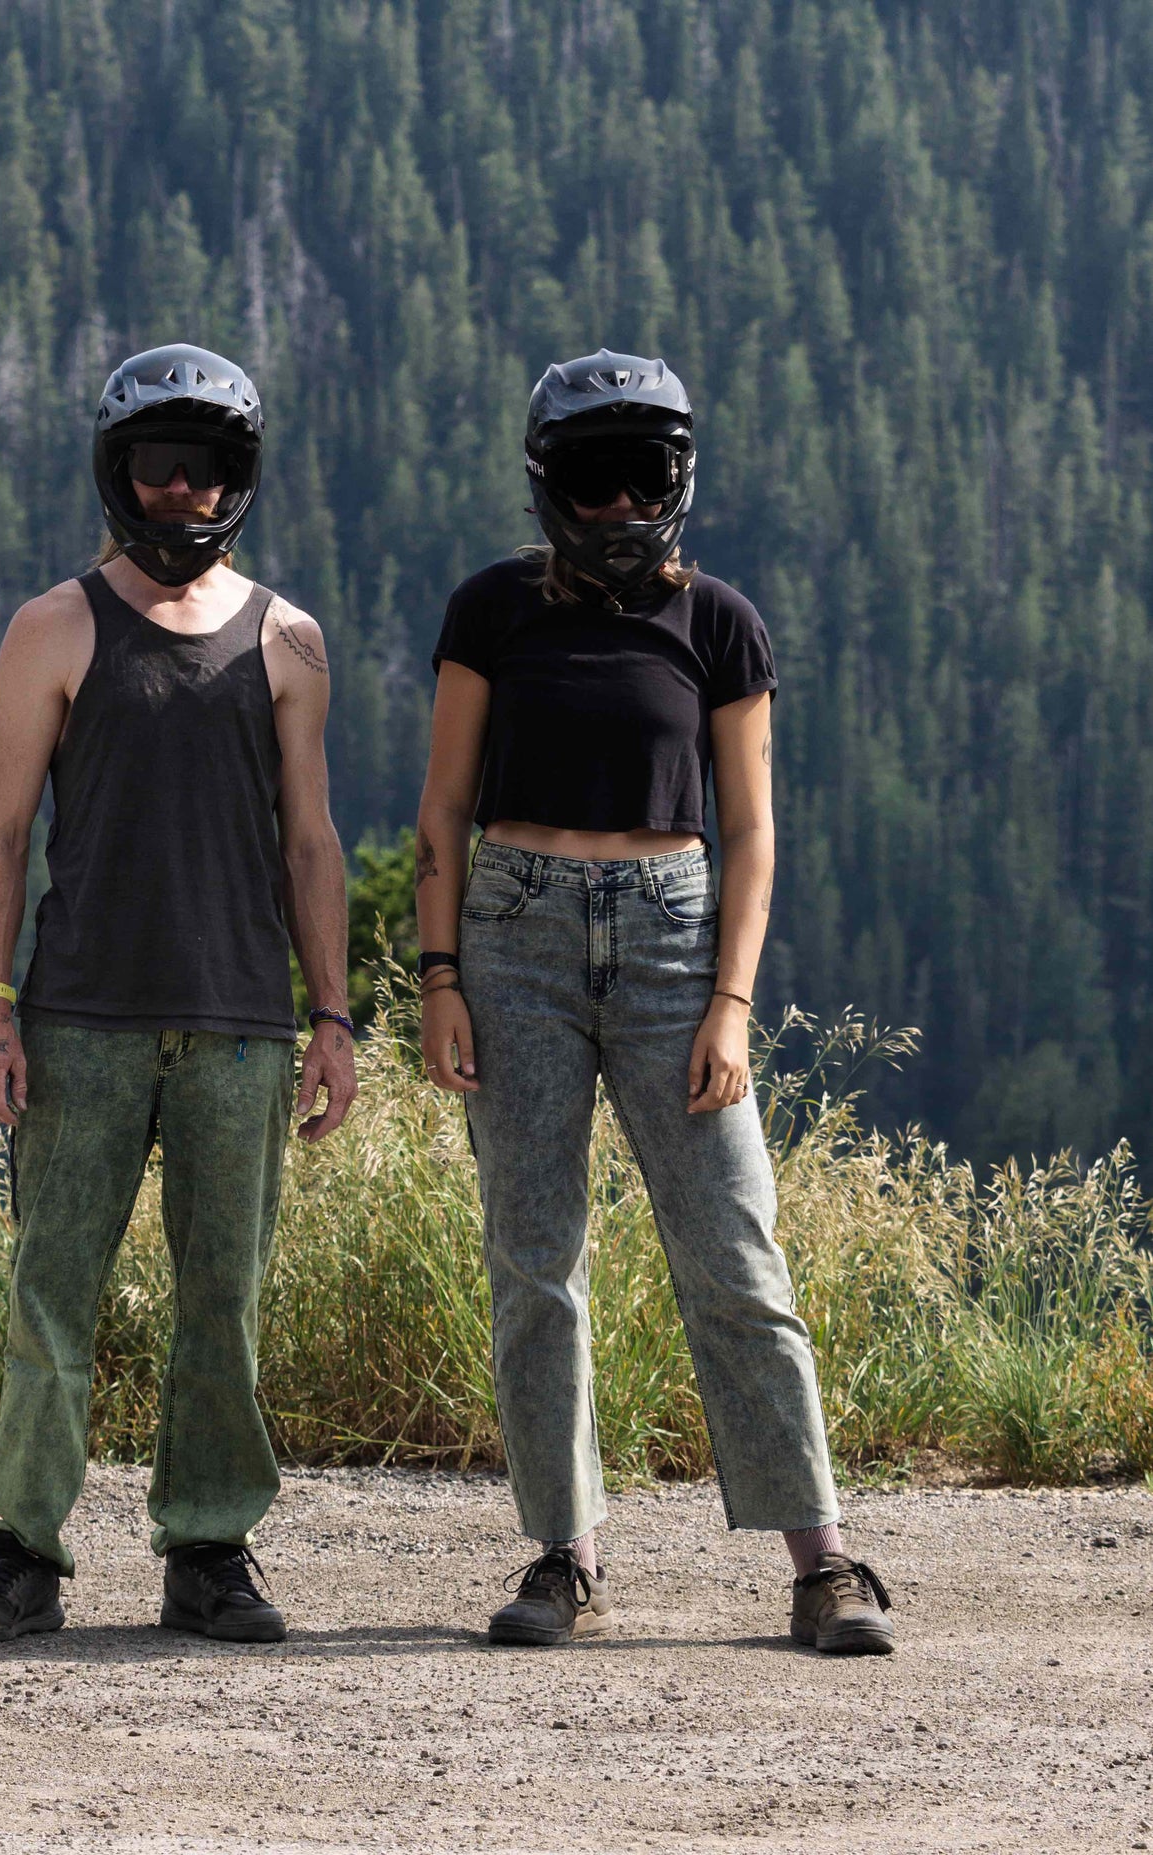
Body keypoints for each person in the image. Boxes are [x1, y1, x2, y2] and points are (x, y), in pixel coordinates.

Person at [414, 349, 893, 1654]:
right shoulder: (490, 611)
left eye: (645, 476)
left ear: (678, 481)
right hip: (510, 940)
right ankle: (562, 1554)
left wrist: (731, 1004)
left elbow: (754, 831)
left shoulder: (721, 624)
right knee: (534, 1259)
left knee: (736, 1251)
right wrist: (439, 976)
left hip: (679, 949)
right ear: (548, 485)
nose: (621, 504)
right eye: (592, 477)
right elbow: (444, 807)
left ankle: (826, 1562)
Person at [0, 343, 357, 1646]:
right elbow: (2, 834)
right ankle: (21, 1553)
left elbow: (311, 843)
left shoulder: (289, 639)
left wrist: (335, 1016)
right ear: (117, 474)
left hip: (241, 1025)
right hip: (78, 1018)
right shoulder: (53, 627)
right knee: (53, 1287)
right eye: (155, 465)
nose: (180, 491)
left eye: (206, 466)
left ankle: (210, 1547)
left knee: (221, 1296)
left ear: (240, 477)